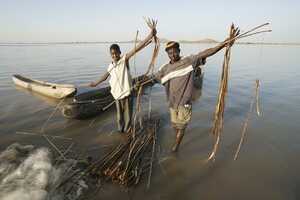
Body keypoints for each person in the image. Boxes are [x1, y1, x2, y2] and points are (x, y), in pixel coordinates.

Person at [154, 30, 238, 152]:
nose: (173, 54)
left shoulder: (189, 61)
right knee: (175, 125)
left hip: (184, 103)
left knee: (182, 127)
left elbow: (207, 52)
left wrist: (224, 43)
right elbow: (154, 77)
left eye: (175, 51)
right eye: (170, 53)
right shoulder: (165, 68)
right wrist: (139, 82)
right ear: (167, 54)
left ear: (179, 51)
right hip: (172, 103)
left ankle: (176, 147)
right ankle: (177, 138)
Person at [89, 25, 157, 134]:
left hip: (127, 94)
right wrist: (95, 83)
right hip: (117, 95)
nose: (115, 55)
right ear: (110, 55)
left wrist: (150, 35)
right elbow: (105, 76)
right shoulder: (111, 66)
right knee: (119, 116)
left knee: (128, 116)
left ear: (120, 53)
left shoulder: (124, 60)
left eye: (116, 53)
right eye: (112, 54)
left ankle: (128, 131)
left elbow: (136, 48)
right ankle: (121, 132)